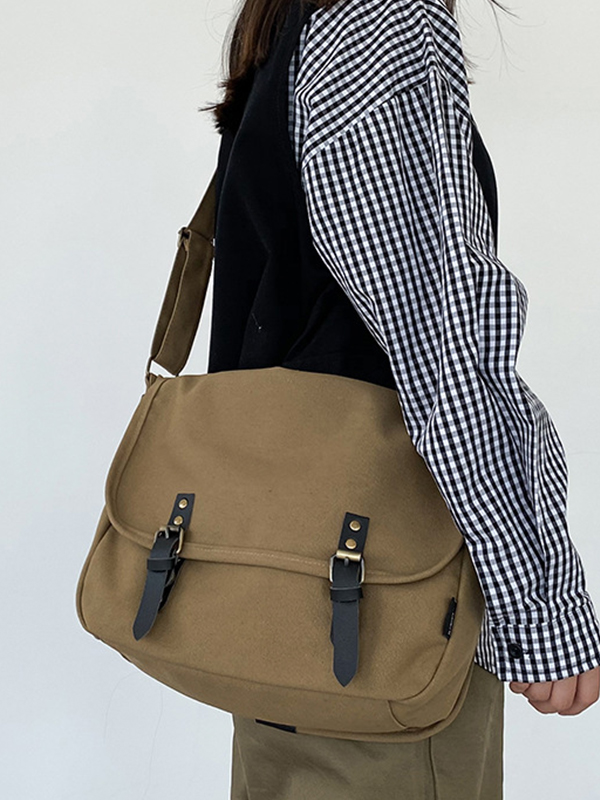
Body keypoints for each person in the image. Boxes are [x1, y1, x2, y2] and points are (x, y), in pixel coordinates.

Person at [200, 0, 600, 796]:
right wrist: (540, 605)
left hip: (273, 611)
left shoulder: (289, 24)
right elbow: (443, 353)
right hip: (383, 620)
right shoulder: (380, 24)